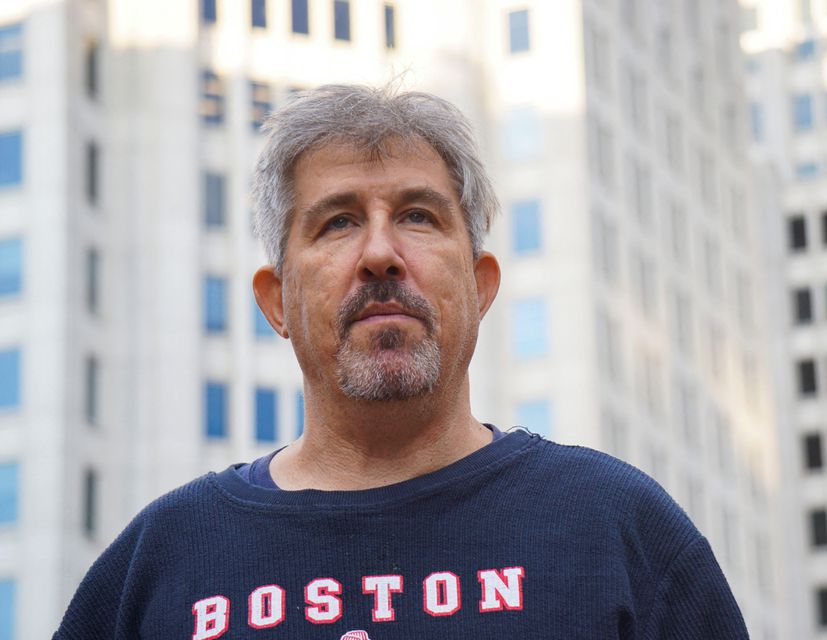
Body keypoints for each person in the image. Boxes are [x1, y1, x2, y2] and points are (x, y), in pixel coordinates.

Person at [55, 85, 749, 639]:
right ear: (277, 303)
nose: (381, 253)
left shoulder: (618, 530)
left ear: (480, 288)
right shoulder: (160, 565)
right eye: (338, 221)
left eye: (419, 215)